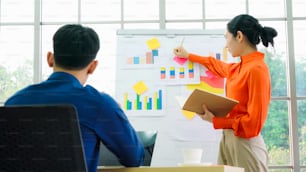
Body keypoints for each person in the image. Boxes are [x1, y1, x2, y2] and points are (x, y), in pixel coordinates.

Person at [5, 24, 145, 172]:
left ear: (50, 59)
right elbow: (134, 158)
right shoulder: (99, 104)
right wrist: (117, 112)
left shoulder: (14, 102)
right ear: (92, 67)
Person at [173, 14, 277, 172]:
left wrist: (217, 121)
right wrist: (188, 56)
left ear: (239, 36)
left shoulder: (256, 69)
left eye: (227, 38)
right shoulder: (239, 68)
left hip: (245, 144)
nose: (226, 45)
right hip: (229, 139)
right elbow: (216, 65)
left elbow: (253, 125)